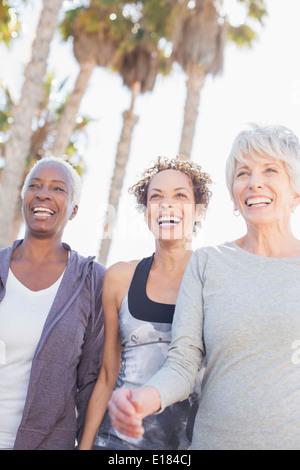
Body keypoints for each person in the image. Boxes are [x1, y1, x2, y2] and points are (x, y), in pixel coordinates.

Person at [108, 123, 300, 450]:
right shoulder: (208, 263)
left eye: (270, 170)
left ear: (295, 190)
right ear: (234, 196)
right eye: (243, 173)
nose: (255, 183)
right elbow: (183, 365)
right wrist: (143, 399)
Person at [78, 156, 212, 450]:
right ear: (146, 212)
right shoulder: (120, 277)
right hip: (118, 443)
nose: (167, 204)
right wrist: (84, 446)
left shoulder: (216, 279)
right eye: (156, 196)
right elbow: (107, 376)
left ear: (199, 211)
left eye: (180, 195)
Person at [0, 156, 105, 450]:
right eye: (34, 186)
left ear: (73, 210)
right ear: (24, 199)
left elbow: (93, 380)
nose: (43, 193)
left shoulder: (91, 281)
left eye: (58, 189)